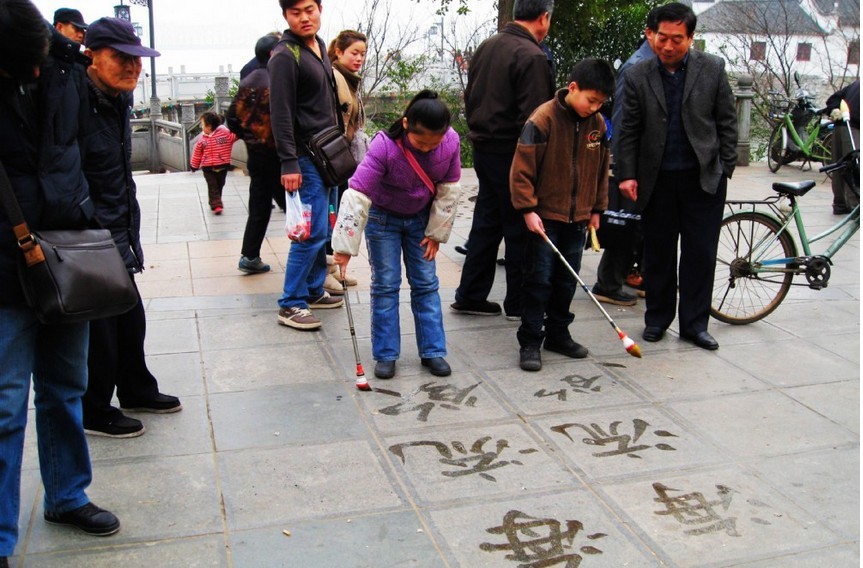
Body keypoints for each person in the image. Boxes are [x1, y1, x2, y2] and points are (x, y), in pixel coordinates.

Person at [0, 2, 120, 557]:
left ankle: (68, 494)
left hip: (70, 252)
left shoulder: (65, 69)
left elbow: (98, 155)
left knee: (66, 386)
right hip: (4, 266)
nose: (30, 72)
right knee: (4, 405)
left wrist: (105, 226)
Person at [79, 17, 182, 438]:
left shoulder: (117, 100)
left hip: (118, 224)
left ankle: (137, 389)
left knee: (130, 317)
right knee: (99, 330)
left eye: (137, 61)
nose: (132, 68)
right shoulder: (74, 99)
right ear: (92, 55)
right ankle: (94, 408)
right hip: (87, 233)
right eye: (121, 59)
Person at [617, 2, 738, 351]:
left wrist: (724, 167)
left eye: (677, 39)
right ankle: (657, 319)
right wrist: (626, 173)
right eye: (662, 38)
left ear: (690, 38)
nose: (668, 46)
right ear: (651, 35)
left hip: (703, 179)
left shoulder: (712, 68)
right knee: (658, 254)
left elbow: (726, 121)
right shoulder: (639, 74)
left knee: (700, 253)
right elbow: (629, 129)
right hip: (657, 180)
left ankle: (695, 325)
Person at [332, 90, 461, 379]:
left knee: (426, 283)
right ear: (405, 124)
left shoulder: (451, 141)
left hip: (420, 220)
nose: (427, 149)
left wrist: (437, 233)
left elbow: (449, 189)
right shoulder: (384, 147)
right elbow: (357, 193)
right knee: (386, 285)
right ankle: (386, 354)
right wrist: (343, 247)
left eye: (434, 143)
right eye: (421, 142)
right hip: (383, 219)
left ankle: (433, 351)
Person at [450, 0, 555, 321]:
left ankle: (470, 294)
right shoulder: (532, 56)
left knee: (488, 220)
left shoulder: (487, 46)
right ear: (544, 17)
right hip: (513, 152)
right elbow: (536, 121)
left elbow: (470, 96)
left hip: (484, 147)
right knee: (520, 226)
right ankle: (519, 303)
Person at [511, 59, 614, 371]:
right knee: (538, 279)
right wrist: (527, 209)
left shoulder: (597, 124)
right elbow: (521, 170)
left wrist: (597, 209)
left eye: (601, 102)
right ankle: (530, 339)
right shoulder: (542, 119)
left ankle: (558, 332)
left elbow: (600, 170)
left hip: (579, 218)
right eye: (591, 99)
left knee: (567, 279)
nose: (594, 107)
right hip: (544, 216)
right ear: (573, 88)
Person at [270, 0, 344, 331]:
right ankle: (291, 302)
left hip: (326, 154)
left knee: (322, 230)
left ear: (320, 8)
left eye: (309, 9)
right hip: (304, 156)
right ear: (286, 15)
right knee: (310, 232)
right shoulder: (286, 55)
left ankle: (314, 290)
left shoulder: (319, 46)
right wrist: (288, 162)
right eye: (295, 12)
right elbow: (281, 113)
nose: (304, 17)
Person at [591, 9, 659, 307]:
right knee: (625, 222)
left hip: (653, 159)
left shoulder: (660, 64)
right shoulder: (637, 67)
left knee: (643, 223)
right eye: (664, 36)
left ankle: (641, 275)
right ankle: (608, 282)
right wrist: (620, 162)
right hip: (635, 159)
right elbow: (621, 120)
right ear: (649, 33)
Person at [227, 33, 283, 274]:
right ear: (272, 54)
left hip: (256, 155)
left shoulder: (247, 80)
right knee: (297, 208)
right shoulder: (276, 82)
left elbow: (231, 119)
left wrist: (249, 136)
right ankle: (314, 257)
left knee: (259, 206)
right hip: (279, 155)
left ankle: (250, 255)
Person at [323, 29, 367, 295]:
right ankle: (325, 272)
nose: (359, 58)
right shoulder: (334, 77)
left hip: (341, 159)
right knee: (329, 217)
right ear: (338, 52)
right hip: (332, 158)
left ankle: (336, 270)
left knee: (338, 216)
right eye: (354, 53)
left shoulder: (348, 79)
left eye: (362, 54)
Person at [191, 111, 237, 215]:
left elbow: (235, 136)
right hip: (207, 168)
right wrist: (194, 165)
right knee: (212, 185)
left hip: (222, 165)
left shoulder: (225, 134)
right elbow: (197, 153)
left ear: (210, 126)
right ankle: (216, 205)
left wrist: (242, 129)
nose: (201, 127)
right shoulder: (202, 139)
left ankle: (215, 200)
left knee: (220, 184)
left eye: (203, 125)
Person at [826, 79, 859, 214]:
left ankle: (840, 204)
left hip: (840, 126)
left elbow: (832, 99)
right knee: (854, 167)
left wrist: (834, 109)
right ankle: (855, 207)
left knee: (839, 166)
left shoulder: (856, 84)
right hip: (853, 128)